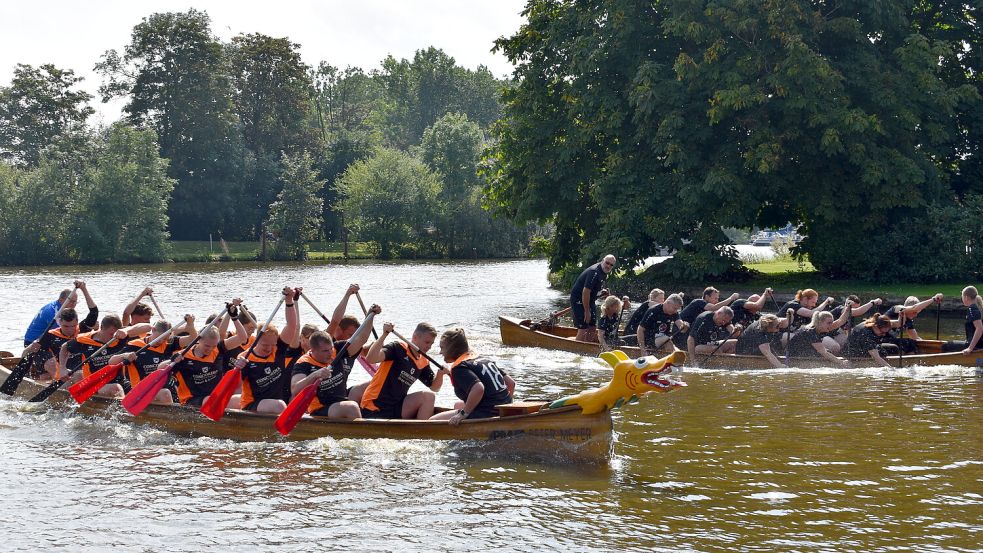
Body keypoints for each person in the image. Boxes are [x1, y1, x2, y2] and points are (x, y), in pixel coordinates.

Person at [292, 307, 380, 420]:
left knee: (376, 383)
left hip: (341, 400)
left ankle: (375, 416)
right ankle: (362, 435)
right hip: (320, 408)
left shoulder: (338, 349)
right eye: (325, 351)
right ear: (313, 350)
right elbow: (295, 389)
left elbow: (362, 338)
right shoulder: (303, 363)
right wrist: (315, 375)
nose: (330, 354)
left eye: (330, 349)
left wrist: (370, 316)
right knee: (351, 407)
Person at [231, 287, 303, 414]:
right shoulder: (245, 357)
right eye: (265, 345)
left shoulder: (278, 349)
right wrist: (237, 370)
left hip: (274, 403)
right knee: (280, 406)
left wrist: (289, 301)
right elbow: (236, 387)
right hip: (252, 404)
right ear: (256, 340)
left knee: (292, 401)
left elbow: (292, 326)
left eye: (272, 344)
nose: (269, 349)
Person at [360, 322, 451, 419]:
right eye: (427, 342)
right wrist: (384, 335)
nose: (429, 347)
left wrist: (440, 374)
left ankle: (420, 432)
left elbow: (434, 388)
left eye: (432, 343)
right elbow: (371, 359)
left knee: (429, 397)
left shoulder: (423, 361)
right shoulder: (397, 348)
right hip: (374, 406)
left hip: (397, 406)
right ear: (415, 337)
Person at [429, 328, 515, 424]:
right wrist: (505, 407)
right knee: (457, 405)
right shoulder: (484, 359)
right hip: (503, 409)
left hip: (486, 413)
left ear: (452, 348)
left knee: (432, 421)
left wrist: (463, 414)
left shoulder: (459, 368)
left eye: (442, 348)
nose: (440, 352)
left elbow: (478, 389)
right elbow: (511, 383)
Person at [167, 306, 246, 407]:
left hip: (214, 397)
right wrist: (170, 361)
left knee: (240, 399)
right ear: (199, 340)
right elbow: (160, 368)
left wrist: (234, 317)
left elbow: (242, 338)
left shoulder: (218, 348)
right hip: (191, 401)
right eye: (207, 346)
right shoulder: (184, 355)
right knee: (213, 399)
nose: (210, 349)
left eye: (213, 346)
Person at [109, 316, 197, 404]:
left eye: (165, 338)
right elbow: (111, 361)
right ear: (153, 330)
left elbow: (193, 339)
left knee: (171, 391)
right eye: (160, 337)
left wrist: (191, 325)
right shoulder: (136, 345)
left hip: (166, 389)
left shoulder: (169, 344)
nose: (162, 341)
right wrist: (125, 355)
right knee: (165, 393)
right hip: (141, 391)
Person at [60, 315, 152, 397]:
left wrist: (125, 330)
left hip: (120, 380)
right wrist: (63, 368)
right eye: (111, 334)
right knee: (116, 388)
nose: (113, 337)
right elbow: (65, 347)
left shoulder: (121, 336)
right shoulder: (84, 340)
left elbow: (148, 327)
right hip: (93, 383)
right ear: (101, 328)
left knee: (144, 389)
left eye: (115, 334)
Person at [21, 308, 85, 380]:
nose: (69, 329)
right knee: (51, 365)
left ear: (77, 322)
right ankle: (53, 380)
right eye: (66, 326)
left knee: (78, 374)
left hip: (70, 364)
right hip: (52, 363)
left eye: (73, 326)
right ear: (60, 322)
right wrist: (30, 348)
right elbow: (24, 353)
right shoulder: (50, 334)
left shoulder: (83, 332)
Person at [569, 255, 616, 341]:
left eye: (611, 265)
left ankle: (587, 348)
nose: (608, 266)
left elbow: (594, 288)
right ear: (602, 261)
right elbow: (585, 292)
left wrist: (602, 292)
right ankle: (577, 348)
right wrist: (587, 311)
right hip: (578, 300)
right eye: (607, 263)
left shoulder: (604, 272)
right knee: (583, 328)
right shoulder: (594, 272)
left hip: (589, 300)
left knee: (592, 328)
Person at [674, 287, 739, 349]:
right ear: (707, 297)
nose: (717, 301)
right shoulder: (698, 302)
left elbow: (728, 326)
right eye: (715, 298)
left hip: (692, 335)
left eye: (718, 298)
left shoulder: (715, 314)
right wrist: (731, 298)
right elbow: (713, 307)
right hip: (680, 333)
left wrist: (736, 331)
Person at [785, 311, 850, 368]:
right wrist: (841, 362)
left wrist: (847, 309)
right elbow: (824, 353)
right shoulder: (810, 331)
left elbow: (840, 321)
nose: (831, 325)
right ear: (820, 322)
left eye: (831, 323)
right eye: (829, 323)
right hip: (794, 358)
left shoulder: (821, 329)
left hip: (806, 355)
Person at [941, 286, 983, 354]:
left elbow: (979, 328)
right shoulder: (979, 307)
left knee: (945, 346)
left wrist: (970, 348)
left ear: (966, 297)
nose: (962, 299)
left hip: (976, 346)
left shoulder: (972, 309)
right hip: (979, 344)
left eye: (962, 296)